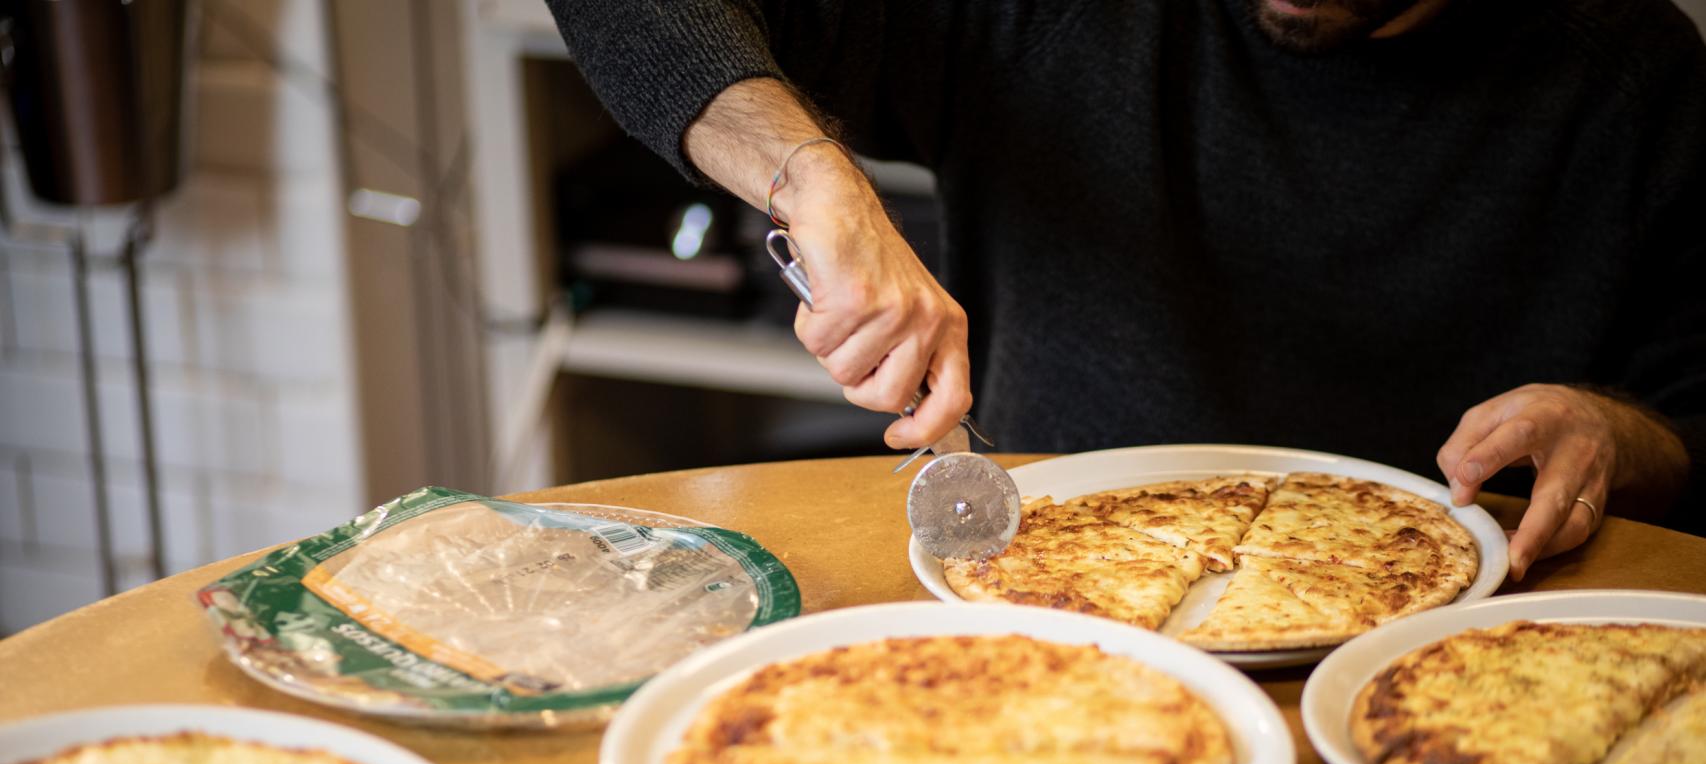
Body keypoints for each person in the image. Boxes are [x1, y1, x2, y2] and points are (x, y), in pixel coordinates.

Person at [546, 0, 1706, 579]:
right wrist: (808, 177)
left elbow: (1689, 425)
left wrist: (1613, 434)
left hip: (1467, 631)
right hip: (1048, 594)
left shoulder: (1632, 70)